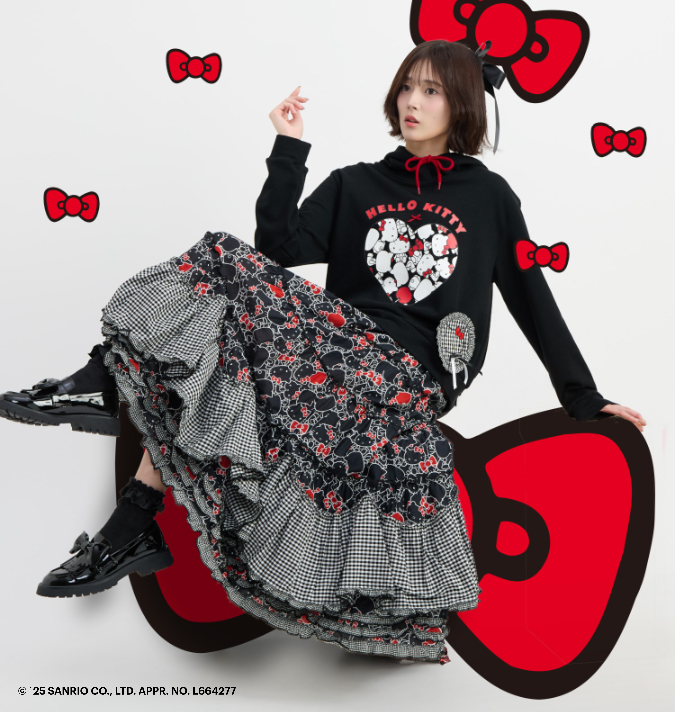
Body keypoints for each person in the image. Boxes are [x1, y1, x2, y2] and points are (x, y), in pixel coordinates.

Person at [0, 39, 646, 664]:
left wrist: (583, 396)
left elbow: (532, 296)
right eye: (406, 87)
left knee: (222, 279)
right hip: (331, 356)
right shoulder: (354, 184)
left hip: (411, 373)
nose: (411, 102)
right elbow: (276, 247)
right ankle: (131, 515)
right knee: (221, 306)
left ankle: (107, 395)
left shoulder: (489, 197)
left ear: (462, 105)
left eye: (430, 91)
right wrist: (289, 146)